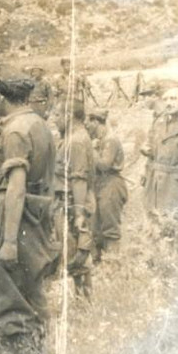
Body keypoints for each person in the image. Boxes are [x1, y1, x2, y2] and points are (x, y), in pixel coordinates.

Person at [0, 75, 59, 354]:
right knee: (32, 289)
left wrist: (9, 241)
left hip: (16, 216)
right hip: (37, 212)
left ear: (0, 98)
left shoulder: (15, 130)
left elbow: (16, 187)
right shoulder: (39, 124)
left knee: (9, 295)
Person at [54, 104, 96, 298]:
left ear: (68, 115)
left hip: (72, 202)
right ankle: (82, 299)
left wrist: (79, 214)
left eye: (57, 114)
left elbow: (79, 179)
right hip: (70, 201)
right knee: (75, 255)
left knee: (76, 256)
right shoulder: (72, 138)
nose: (54, 119)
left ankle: (84, 301)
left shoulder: (76, 141)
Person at [87, 110, 127, 262]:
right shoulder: (99, 140)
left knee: (110, 229)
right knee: (96, 228)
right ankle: (100, 267)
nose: (87, 126)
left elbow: (104, 165)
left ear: (96, 122)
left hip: (111, 184)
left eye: (89, 122)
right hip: (100, 184)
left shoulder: (110, 140)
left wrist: (92, 150)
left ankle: (112, 267)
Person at [141, 86, 178, 223]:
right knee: (156, 224)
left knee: (175, 225)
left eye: (173, 98)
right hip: (156, 183)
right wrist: (147, 149)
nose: (169, 102)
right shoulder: (159, 122)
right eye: (165, 99)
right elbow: (151, 145)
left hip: (176, 185)